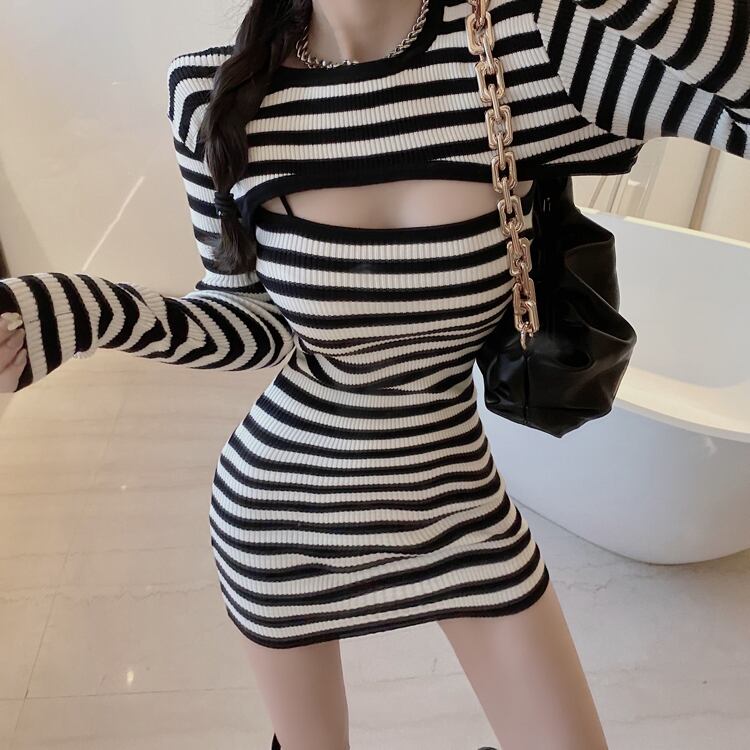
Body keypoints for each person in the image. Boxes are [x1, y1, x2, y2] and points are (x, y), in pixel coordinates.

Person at [1, 0, 747, 748]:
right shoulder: (211, 91)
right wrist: (80, 311)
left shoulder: (530, 49)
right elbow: (249, 320)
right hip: (281, 521)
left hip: (460, 506)